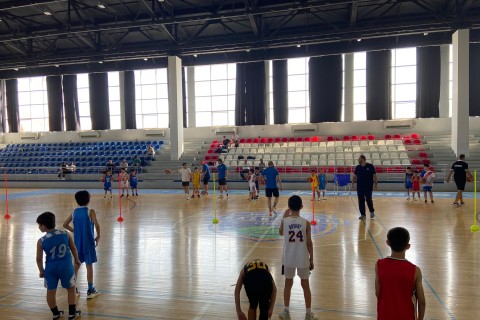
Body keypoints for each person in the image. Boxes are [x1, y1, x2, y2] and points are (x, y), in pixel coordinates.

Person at [36, 212, 82, 320]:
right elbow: (73, 248)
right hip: (65, 266)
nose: (39, 227)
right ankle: (72, 313)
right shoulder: (65, 233)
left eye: (39, 225)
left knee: (51, 291)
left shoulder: (41, 241)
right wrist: (77, 259)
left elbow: (39, 259)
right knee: (71, 288)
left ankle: (56, 314)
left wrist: (41, 270)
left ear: (44, 226)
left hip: (50, 268)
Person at [278, 195, 317, 320]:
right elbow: (309, 243)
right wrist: (312, 259)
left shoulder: (285, 221)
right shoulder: (305, 223)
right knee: (305, 285)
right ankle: (308, 313)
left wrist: (284, 216)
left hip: (288, 259)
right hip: (302, 258)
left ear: (289, 207)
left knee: (287, 284)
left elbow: (280, 232)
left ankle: (286, 311)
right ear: (301, 207)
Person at [375, 227, 426, 320]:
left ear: (388, 243)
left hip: (384, 315)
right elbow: (421, 300)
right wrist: (420, 318)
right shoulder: (415, 271)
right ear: (408, 246)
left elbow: (377, 292)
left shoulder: (379, 265)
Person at [63, 190, 100, 299]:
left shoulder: (74, 212)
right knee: (89, 266)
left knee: (77, 265)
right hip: (88, 243)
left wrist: (75, 231)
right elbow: (97, 225)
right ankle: (90, 290)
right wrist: (98, 236)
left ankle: (73, 288)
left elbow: (65, 224)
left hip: (77, 243)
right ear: (88, 200)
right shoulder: (90, 211)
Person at [352, 155, 377, 220]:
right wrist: (353, 184)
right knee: (361, 201)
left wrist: (375, 184)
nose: (358, 160)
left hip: (368, 187)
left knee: (368, 199)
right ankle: (363, 214)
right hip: (360, 187)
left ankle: (371, 211)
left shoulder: (370, 166)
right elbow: (354, 176)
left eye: (359, 158)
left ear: (363, 159)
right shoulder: (358, 167)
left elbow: (374, 176)